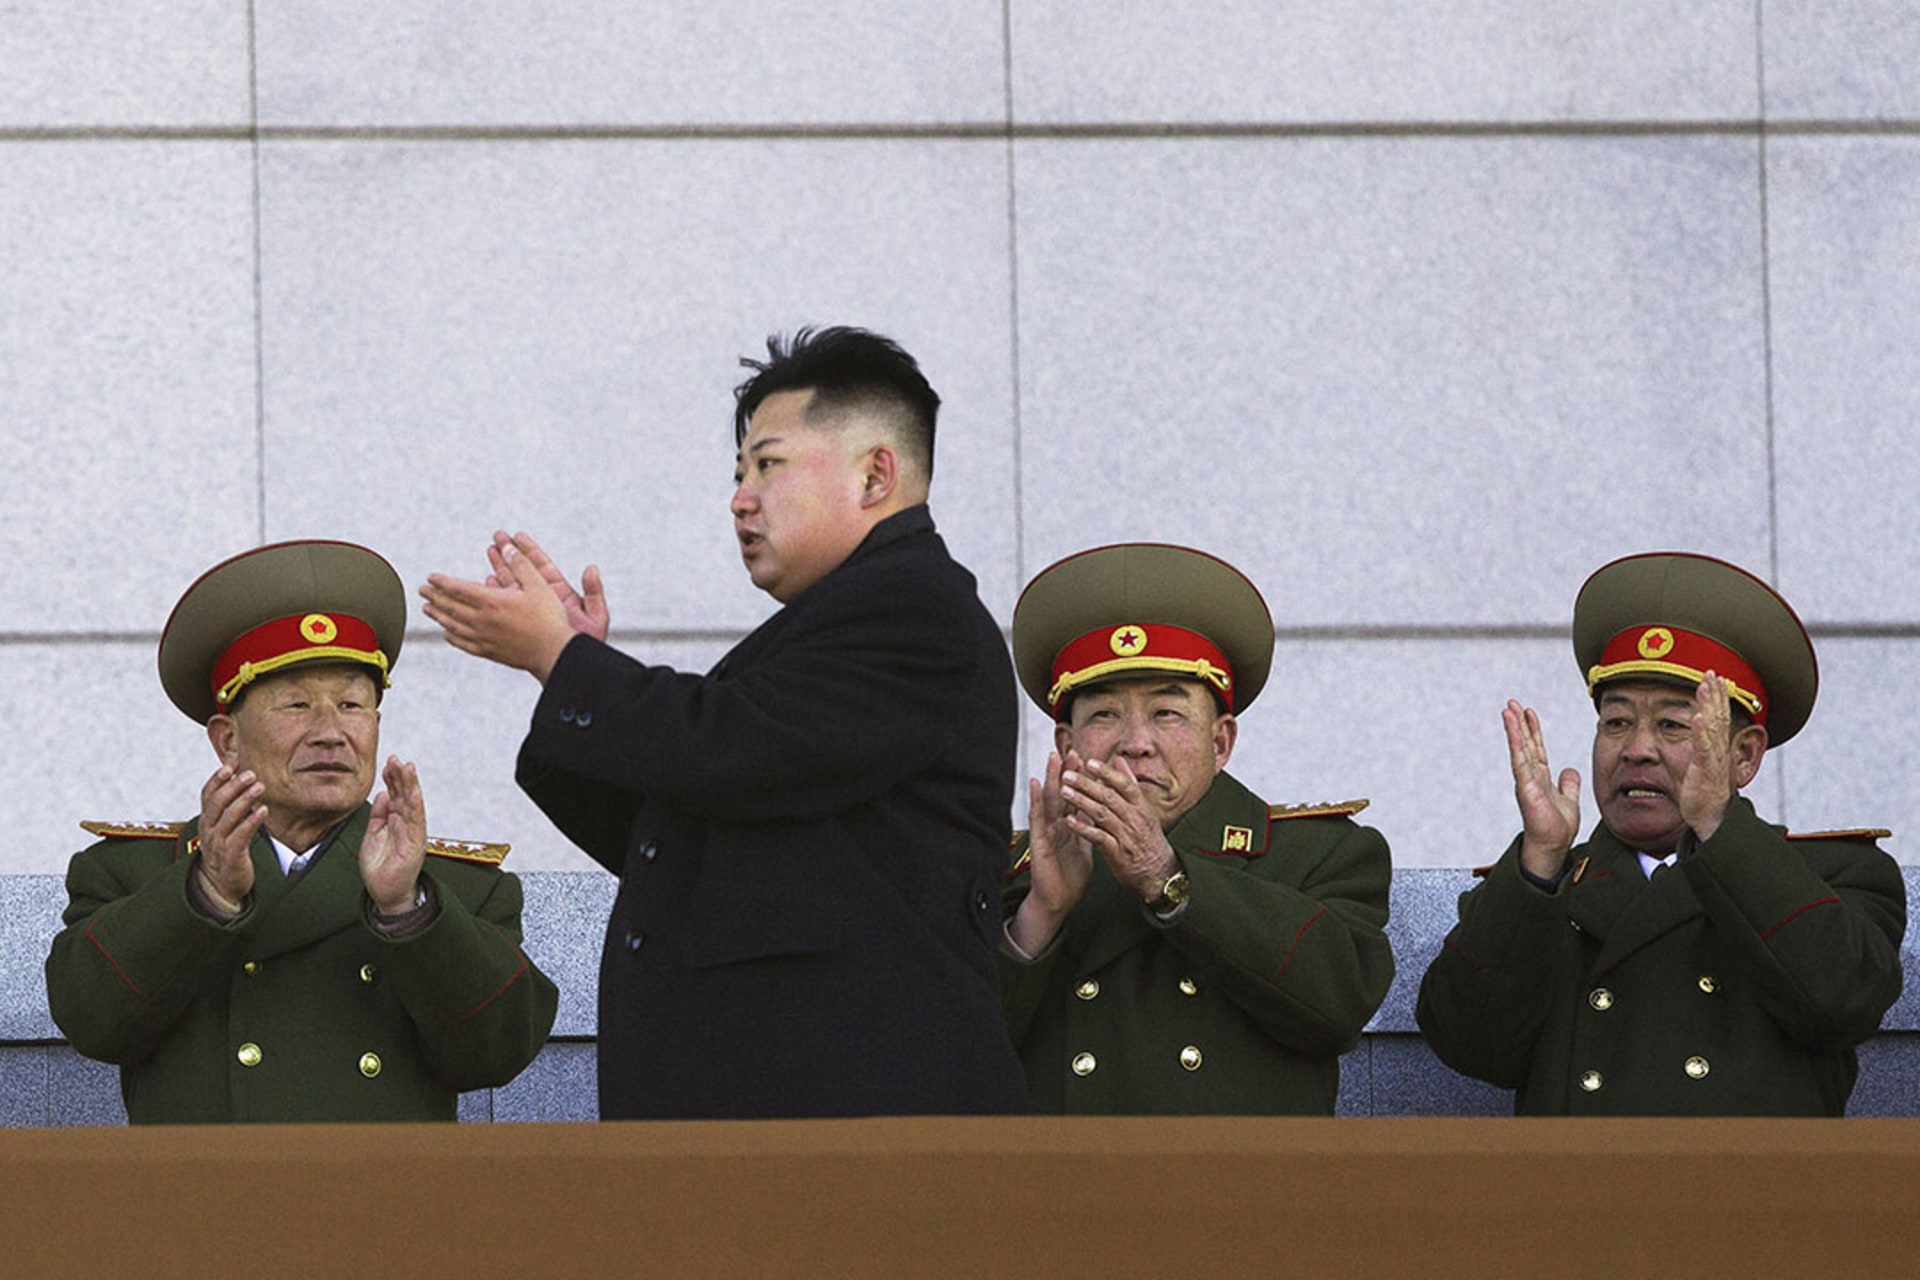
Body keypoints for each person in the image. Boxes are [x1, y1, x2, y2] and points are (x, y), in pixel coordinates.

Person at [419, 325, 1030, 1118]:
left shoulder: (913, 606)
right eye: (739, 472)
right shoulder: (826, 630)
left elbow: (732, 748)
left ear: (876, 474)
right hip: (785, 1118)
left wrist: (565, 661)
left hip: (853, 1123)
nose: (740, 497)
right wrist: (576, 664)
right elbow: (682, 827)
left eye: (768, 465)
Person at [45, 540, 558, 1123]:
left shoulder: (449, 888)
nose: (330, 733)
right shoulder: (132, 873)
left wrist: (405, 910)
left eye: (351, 705)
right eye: (295, 706)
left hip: (385, 1205)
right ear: (227, 741)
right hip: (204, 1204)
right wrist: (206, 893)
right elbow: (91, 1022)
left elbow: (500, 1053)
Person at [1416, 551, 1906, 1115]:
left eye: (1672, 725)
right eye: (1616, 722)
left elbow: (1843, 1002)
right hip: (1577, 1196)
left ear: (1743, 757)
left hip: (1752, 1198)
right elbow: (1470, 1047)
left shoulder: (1836, 876)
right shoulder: (1544, 887)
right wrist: (1540, 859)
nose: (1637, 749)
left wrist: (1719, 826)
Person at [1000, 543, 1394, 1113]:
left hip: (1238, 1193)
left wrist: (1167, 878)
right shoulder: (1011, 872)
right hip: (1065, 1194)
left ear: (1220, 742)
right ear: (1067, 746)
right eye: (1104, 715)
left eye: (1167, 714)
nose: (1135, 742)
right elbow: (943, 1055)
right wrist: (1041, 915)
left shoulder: (1319, 852)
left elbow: (1338, 1006)